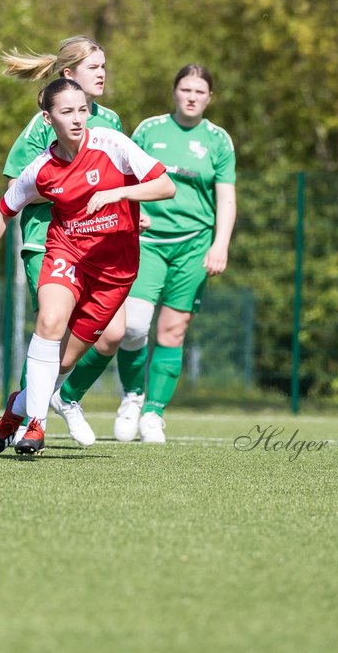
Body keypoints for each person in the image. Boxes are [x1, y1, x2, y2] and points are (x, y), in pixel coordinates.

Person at [0, 78, 175, 455]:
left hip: (115, 271)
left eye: (82, 110)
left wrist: (119, 192)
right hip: (67, 254)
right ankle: (36, 425)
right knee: (49, 323)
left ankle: (16, 409)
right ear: (48, 119)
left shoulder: (112, 145)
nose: (78, 119)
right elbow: (3, 212)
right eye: (67, 112)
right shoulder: (41, 169)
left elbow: (165, 187)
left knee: (61, 363)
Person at [59, 64, 237, 443]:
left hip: (193, 245)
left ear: (209, 97)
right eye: (185, 89)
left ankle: (154, 413)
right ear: (175, 92)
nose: (192, 97)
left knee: (173, 331)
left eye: (199, 92)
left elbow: (226, 196)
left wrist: (220, 244)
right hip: (147, 244)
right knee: (133, 327)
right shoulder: (149, 130)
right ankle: (132, 397)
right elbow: (123, 176)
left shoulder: (219, 140)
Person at [0, 36, 125, 447]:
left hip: (102, 249)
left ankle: (64, 399)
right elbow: (18, 185)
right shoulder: (42, 125)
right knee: (50, 330)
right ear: (69, 75)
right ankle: (28, 422)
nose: (102, 73)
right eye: (94, 67)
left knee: (113, 335)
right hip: (49, 243)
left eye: (104, 65)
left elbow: (127, 180)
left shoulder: (112, 122)